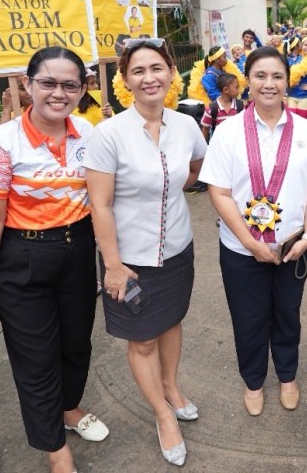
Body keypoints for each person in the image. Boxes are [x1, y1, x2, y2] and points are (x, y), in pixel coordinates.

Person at [0, 46, 105, 473]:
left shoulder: (89, 133)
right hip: (23, 256)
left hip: (78, 249)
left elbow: (103, 201)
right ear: (28, 85)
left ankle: (69, 408)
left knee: (77, 343)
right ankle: (54, 445)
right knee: (36, 355)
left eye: (69, 85)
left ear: (83, 89)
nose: (58, 93)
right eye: (47, 82)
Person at [84, 38, 206, 467]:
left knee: (171, 323)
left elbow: (194, 171)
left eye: (157, 68)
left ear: (171, 72)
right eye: (138, 71)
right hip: (129, 259)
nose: (149, 77)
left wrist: (170, 195)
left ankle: (172, 388)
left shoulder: (187, 126)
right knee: (143, 338)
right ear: (125, 80)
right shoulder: (108, 134)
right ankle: (161, 414)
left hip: (176, 248)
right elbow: (99, 204)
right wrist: (112, 267)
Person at [198, 46, 307, 416]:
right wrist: (252, 243)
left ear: (288, 81)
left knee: (288, 314)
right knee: (249, 319)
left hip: (292, 247)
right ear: (246, 81)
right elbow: (218, 192)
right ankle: (254, 382)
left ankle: (287, 376)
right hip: (241, 250)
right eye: (260, 76)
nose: (269, 84)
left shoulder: (305, 129)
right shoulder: (227, 131)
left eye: (277, 76)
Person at [200, 73, 244, 141]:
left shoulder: (240, 106)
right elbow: (205, 130)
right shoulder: (212, 109)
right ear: (226, 90)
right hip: (219, 147)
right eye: (236, 87)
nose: (238, 90)